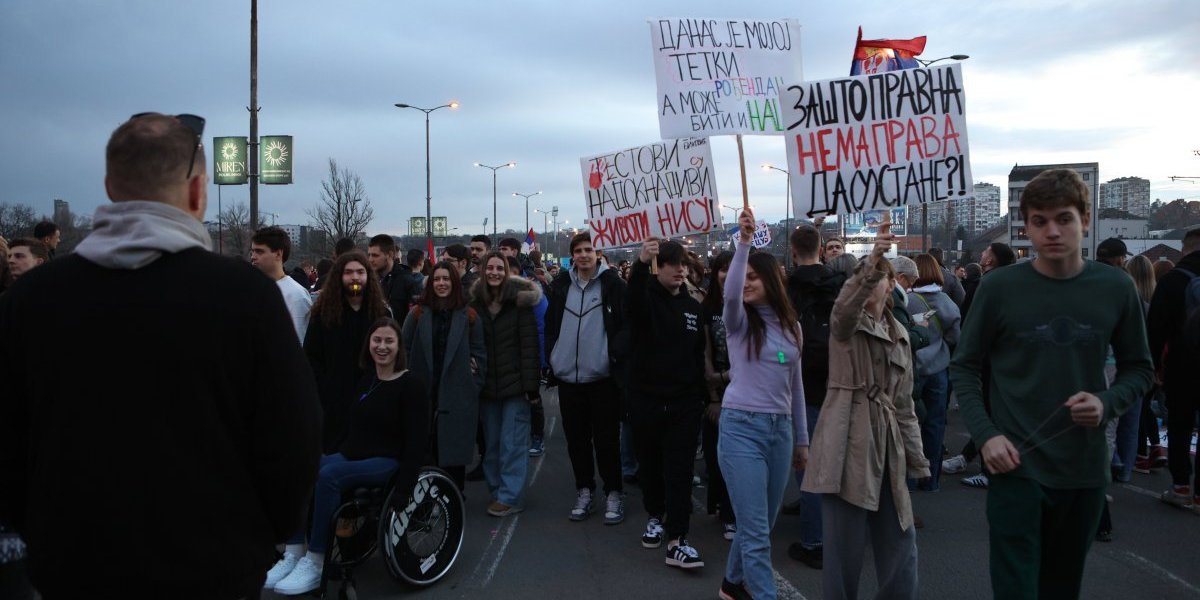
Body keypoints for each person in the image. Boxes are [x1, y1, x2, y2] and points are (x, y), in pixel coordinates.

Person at [0, 112, 321, 598]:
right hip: (213, 561)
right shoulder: (246, 297)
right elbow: (293, 433)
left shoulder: (30, 299)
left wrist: (40, 525)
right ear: (197, 193)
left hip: (72, 560)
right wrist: (262, 531)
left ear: (110, 187)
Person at [949, 169, 1153, 599]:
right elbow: (965, 367)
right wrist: (985, 437)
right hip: (1014, 465)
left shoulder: (1115, 287)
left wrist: (1106, 401)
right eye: (1039, 221)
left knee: (1061, 589)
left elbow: (1140, 368)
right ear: (1026, 226)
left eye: (1064, 218)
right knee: (1016, 589)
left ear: (1086, 218)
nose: (1052, 231)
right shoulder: (999, 287)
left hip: (1083, 469)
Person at [803, 216, 928, 600]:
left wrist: (917, 459)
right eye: (864, 278)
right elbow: (845, 305)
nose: (872, 282)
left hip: (888, 441)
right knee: (843, 553)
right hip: (847, 438)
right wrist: (872, 258)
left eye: (881, 277)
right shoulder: (845, 325)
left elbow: (905, 405)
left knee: (902, 545)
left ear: (893, 285)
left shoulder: (901, 334)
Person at [269, 318, 430, 595]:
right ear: (369, 344)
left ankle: (316, 560)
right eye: (377, 340)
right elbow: (351, 426)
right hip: (353, 454)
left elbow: (417, 442)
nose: (382, 346)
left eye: (389, 341)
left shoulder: (411, 386)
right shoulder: (367, 379)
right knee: (300, 468)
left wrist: (405, 488)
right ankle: (294, 552)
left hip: (387, 461)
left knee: (329, 476)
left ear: (399, 346)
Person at [717, 211, 809, 600]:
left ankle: (730, 586)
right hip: (741, 429)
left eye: (756, 276)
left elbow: (796, 386)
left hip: (780, 433)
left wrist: (802, 440)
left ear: (773, 279)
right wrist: (743, 243)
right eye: (745, 277)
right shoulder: (738, 322)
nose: (747, 283)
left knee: (761, 526)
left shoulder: (791, 327)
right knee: (754, 532)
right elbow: (731, 293)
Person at [626, 238, 707, 569]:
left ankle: (677, 537)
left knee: (680, 470)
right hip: (646, 400)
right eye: (673, 263)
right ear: (659, 267)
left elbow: (697, 354)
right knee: (650, 466)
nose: (680, 269)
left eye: (684, 264)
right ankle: (655, 515)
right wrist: (642, 263)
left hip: (684, 403)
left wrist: (700, 395)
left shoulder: (693, 308)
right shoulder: (645, 300)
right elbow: (632, 303)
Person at [545, 232, 629, 524]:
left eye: (588, 249)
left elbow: (624, 325)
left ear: (598, 253)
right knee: (576, 441)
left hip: (602, 378)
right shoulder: (560, 286)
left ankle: (614, 492)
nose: (583, 255)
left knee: (606, 441)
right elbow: (551, 326)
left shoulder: (613, 285)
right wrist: (555, 357)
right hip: (569, 379)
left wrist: (612, 355)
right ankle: (584, 489)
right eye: (578, 250)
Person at [783, 223, 847, 570]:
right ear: (822, 249)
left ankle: (814, 540)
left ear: (793, 251)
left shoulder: (787, 287)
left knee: (805, 458)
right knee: (831, 455)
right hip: (836, 378)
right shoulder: (838, 284)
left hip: (800, 378)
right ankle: (827, 523)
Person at [401, 261, 486, 490]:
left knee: (454, 457)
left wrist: (472, 385)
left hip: (457, 396)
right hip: (424, 391)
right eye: (437, 279)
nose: (441, 283)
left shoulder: (469, 316)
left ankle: (454, 501)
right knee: (425, 451)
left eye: (446, 279)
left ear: (454, 283)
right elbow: (404, 348)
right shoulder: (417, 313)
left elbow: (479, 354)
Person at [470, 252, 542, 516]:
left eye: (499, 268)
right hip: (487, 387)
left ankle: (511, 496)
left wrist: (531, 386)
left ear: (507, 271)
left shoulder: (519, 302)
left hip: (515, 385)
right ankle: (497, 490)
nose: (494, 273)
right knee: (491, 445)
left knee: (512, 444)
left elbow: (530, 345)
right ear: (482, 271)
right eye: (490, 267)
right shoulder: (474, 304)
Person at [305, 250, 390, 453]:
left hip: (372, 399)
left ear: (368, 276)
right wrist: (323, 389)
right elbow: (311, 358)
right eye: (349, 272)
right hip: (333, 404)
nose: (355, 277)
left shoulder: (380, 312)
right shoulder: (323, 314)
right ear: (338, 277)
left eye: (360, 272)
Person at [1147, 227, 1200, 510]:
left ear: (1185, 248)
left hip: (1182, 366)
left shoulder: (1173, 281)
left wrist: (1153, 366)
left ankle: (1181, 486)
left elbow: (1155, 329)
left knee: (1179, 425)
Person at [905, 254, 961, 491]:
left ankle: (906, 479)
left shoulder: (907, 300)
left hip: (912, 370)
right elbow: (955, 337)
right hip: (939, 369)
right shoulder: (947, 301)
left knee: (908, 423)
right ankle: (931, 480)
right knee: (936, 425)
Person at [700, 251, 736, 542]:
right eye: (723, 269)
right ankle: (724, 509)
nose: (728, 274)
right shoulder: (708, 306)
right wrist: (714, 396)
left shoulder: (751, 305)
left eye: (734, 268)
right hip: (716, 395)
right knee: (717, 456)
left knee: (738, 458)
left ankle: (734, 513)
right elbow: (705, 351)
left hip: (744, 392)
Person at [251, 226, 313, 342]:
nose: (253, 257)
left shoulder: (296, 295)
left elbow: (298, 343)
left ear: (278, 254)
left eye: (259, 251)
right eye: (252, 251)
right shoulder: (252, 290)